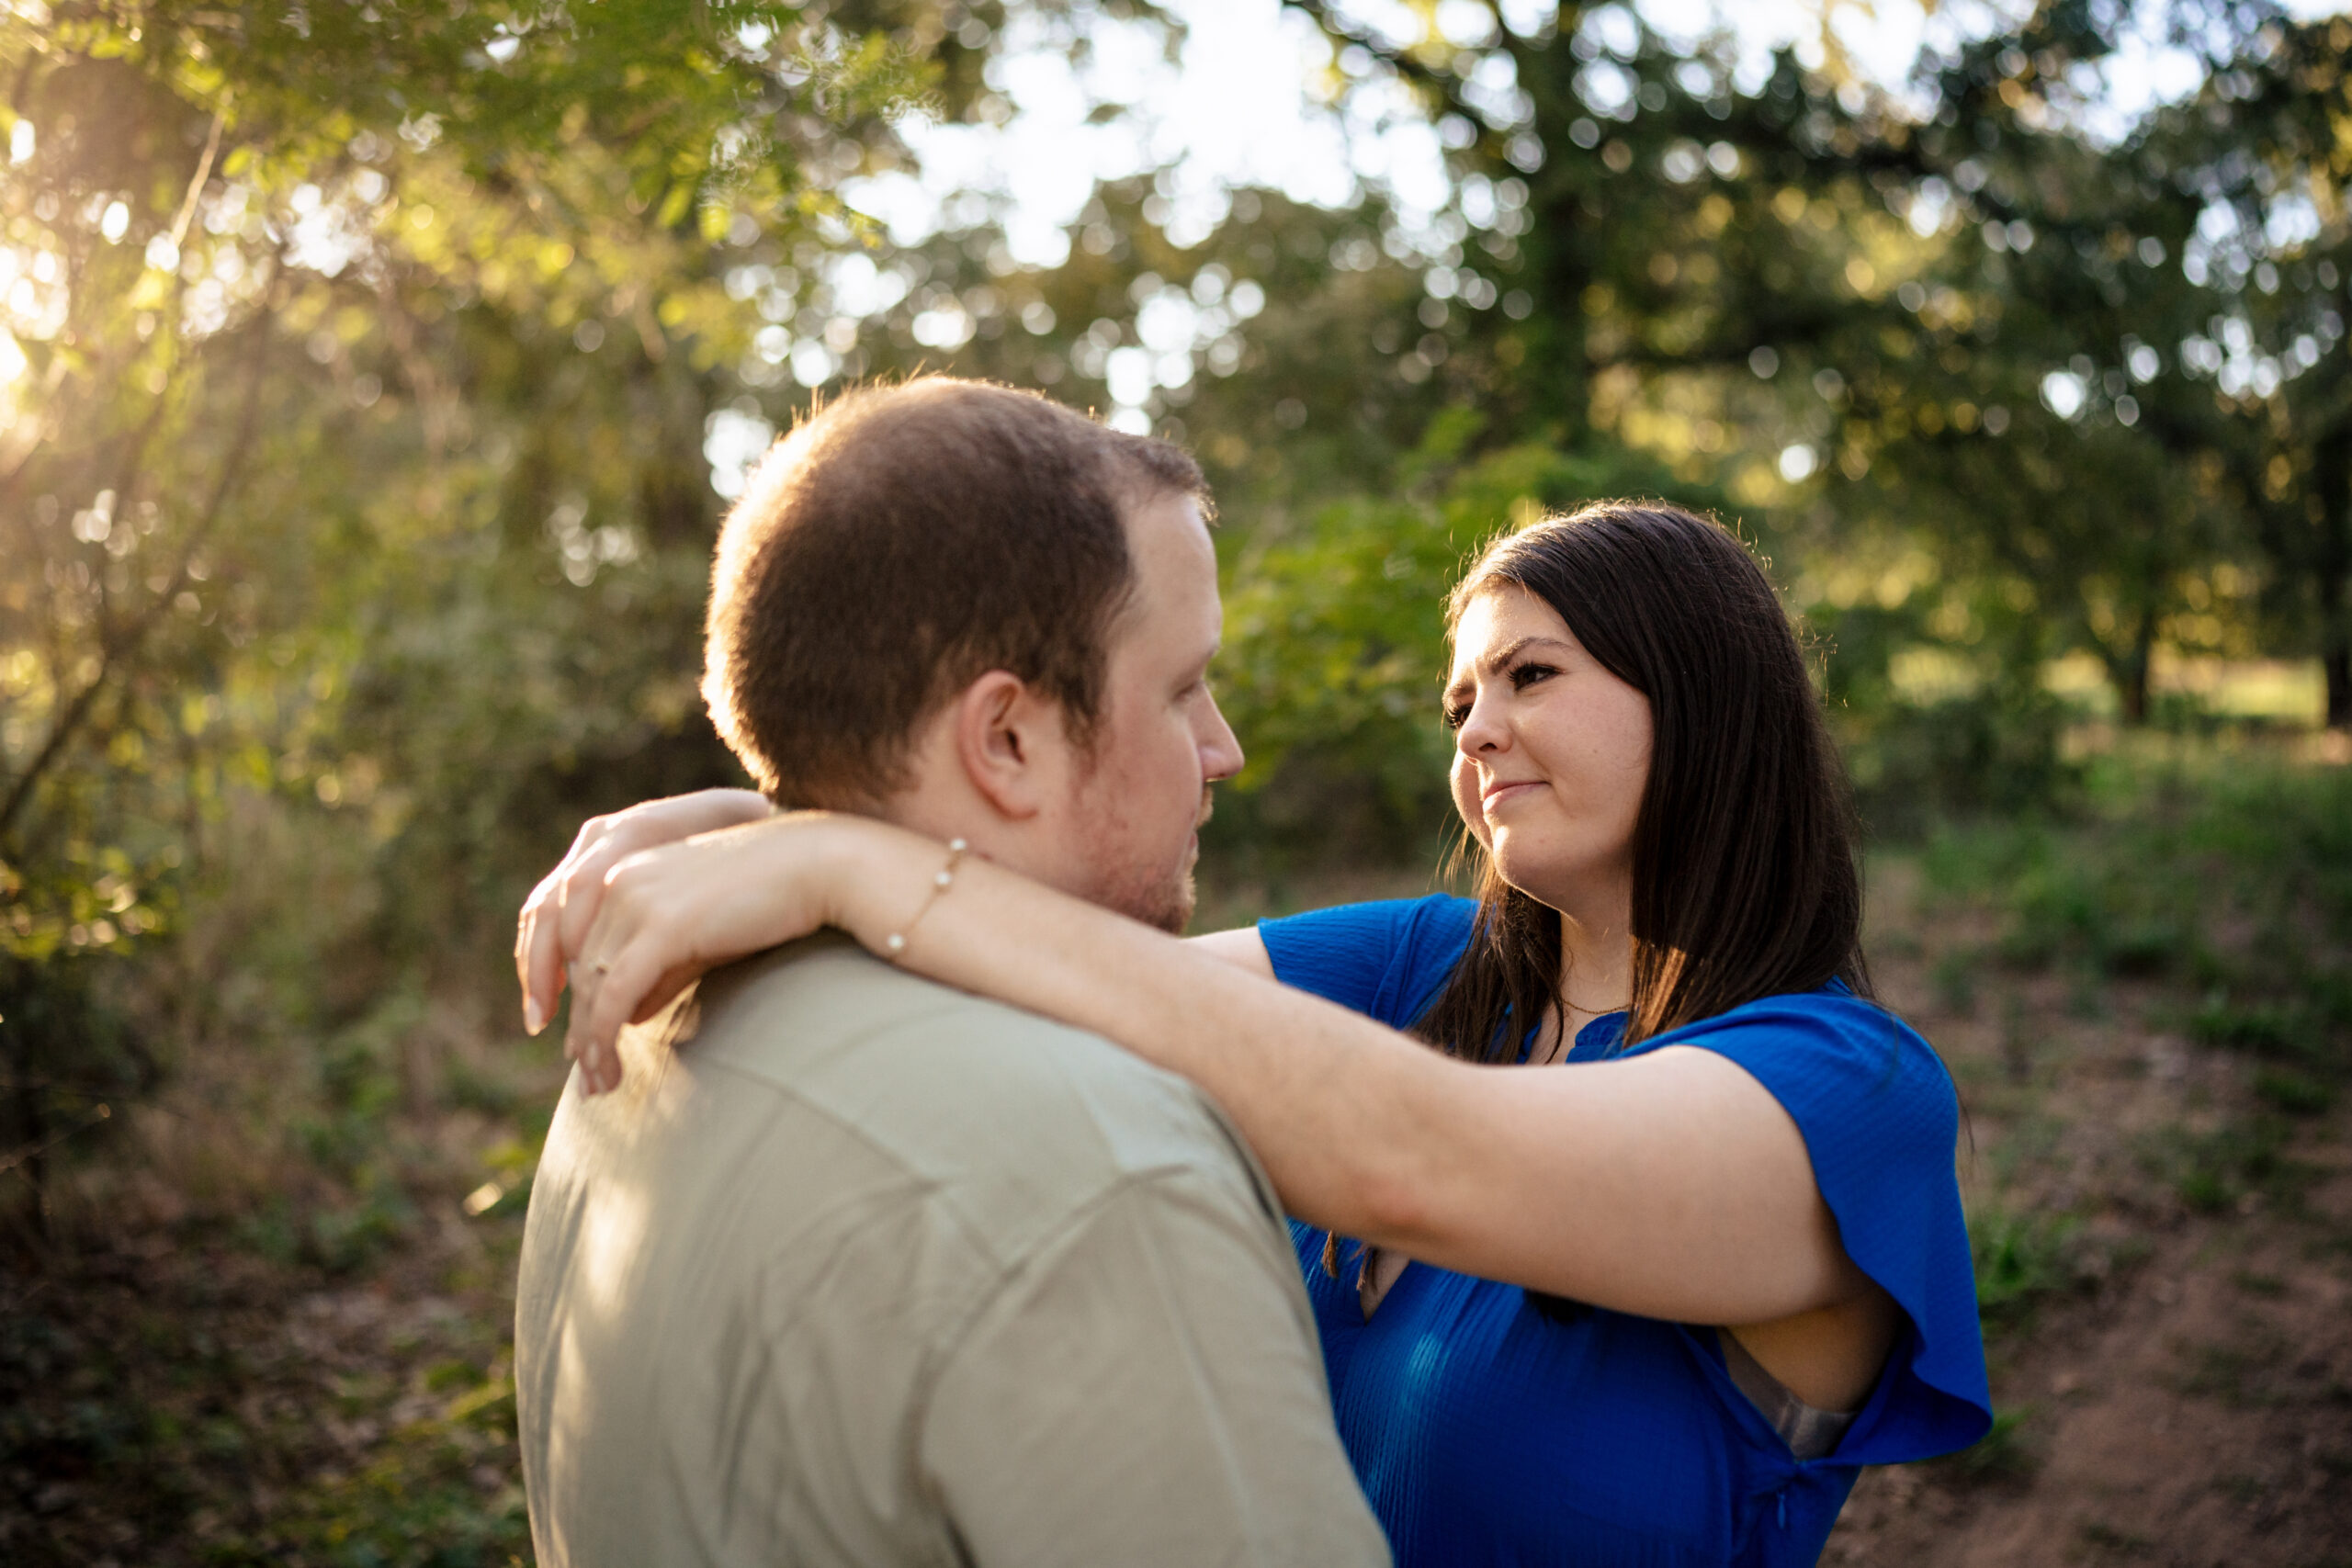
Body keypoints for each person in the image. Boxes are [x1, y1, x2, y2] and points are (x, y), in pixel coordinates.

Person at [522, 501, 1995, 1566]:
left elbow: (1422, 1164)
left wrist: (851, 866)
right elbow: (1039, 946)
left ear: (1707, 700)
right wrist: (749, 819)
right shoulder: (1437, 965)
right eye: (1460, 696)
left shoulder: (1847, 1091)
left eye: (1532, 676)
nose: (1473, 730)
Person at [510, 378, 1391, 1568]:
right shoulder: (1101, 1172)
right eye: (1183, 688)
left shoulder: (659, 1022)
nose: (1221, 750)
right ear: (1008, 740)